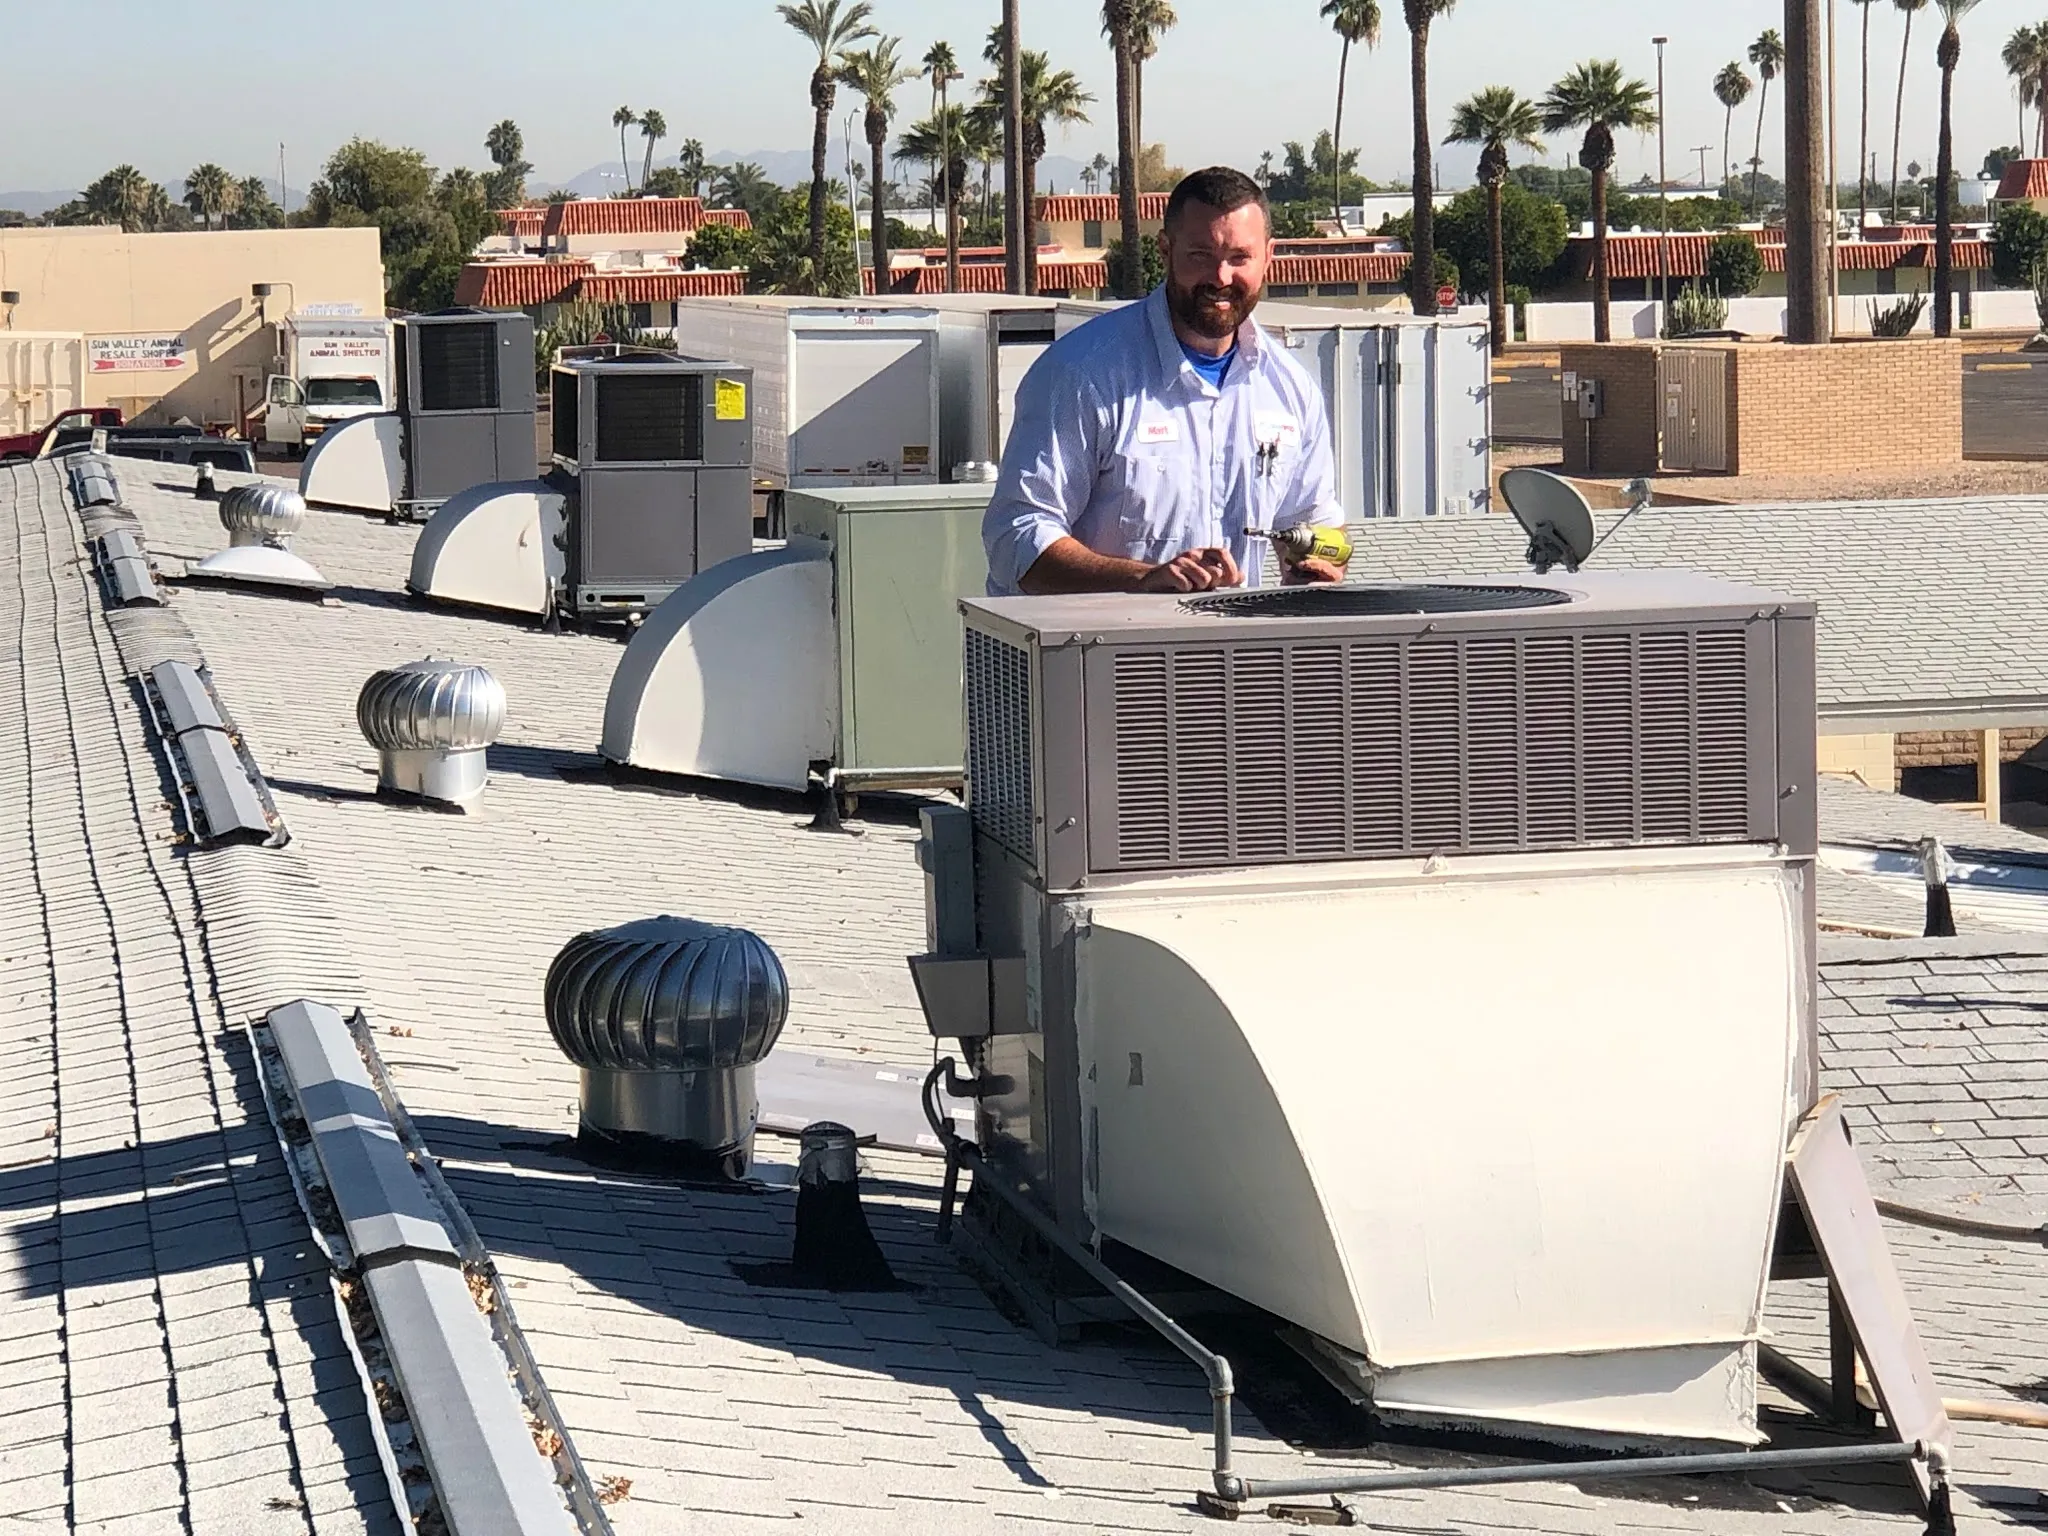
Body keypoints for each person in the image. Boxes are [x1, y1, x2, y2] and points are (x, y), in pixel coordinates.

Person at [982, 165, 1348, 597]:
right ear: (1165, 250)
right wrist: (1141, 578)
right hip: (1094, 639)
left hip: (1232, 640)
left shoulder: (1290, 387)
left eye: (1239, 258)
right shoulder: (1082, 373)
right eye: (1200, 256)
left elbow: (1318, 523)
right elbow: (1017, 537)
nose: (1221, 277)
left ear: (1268, 256)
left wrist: (1316, 566)